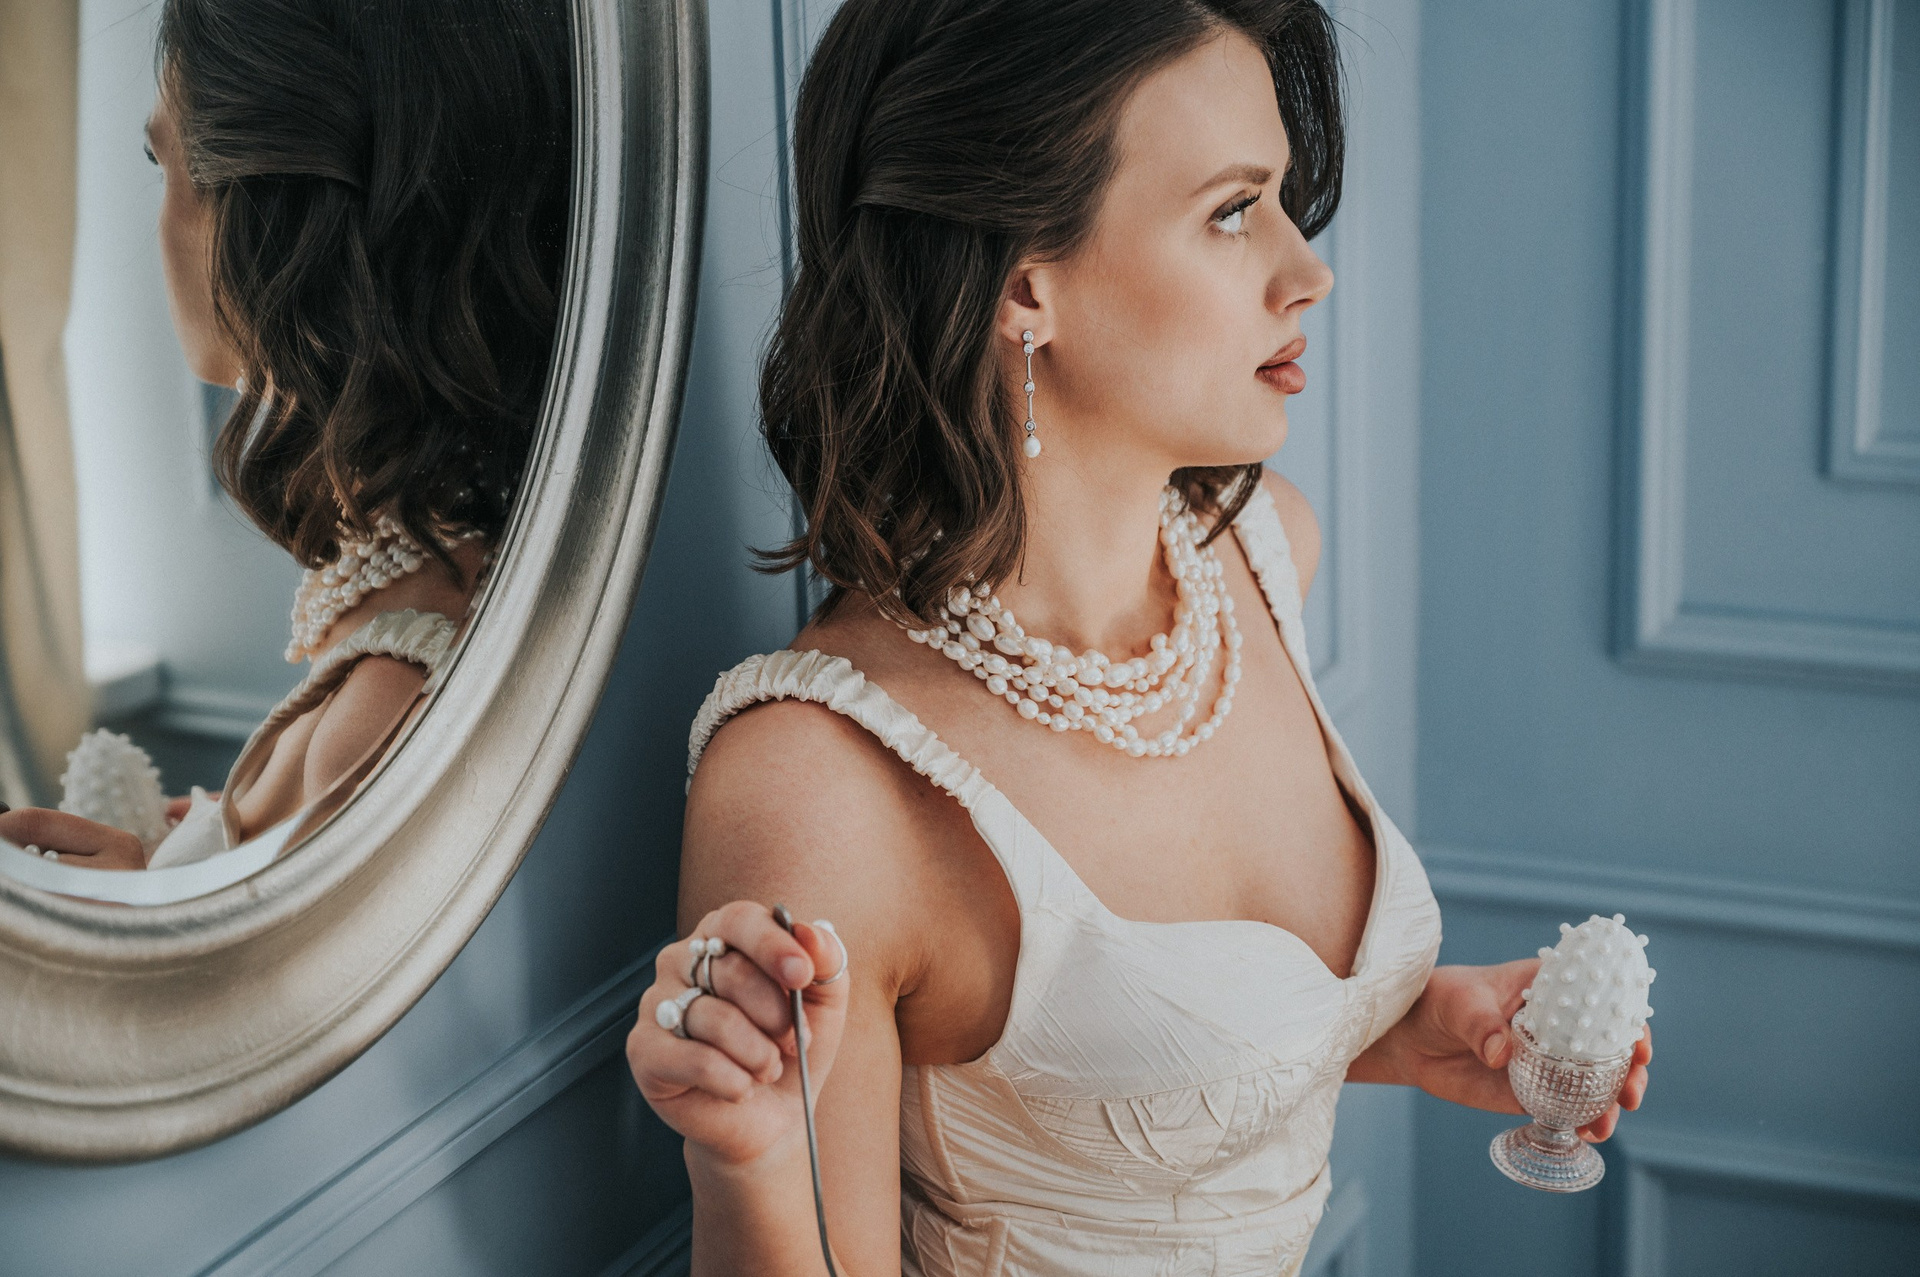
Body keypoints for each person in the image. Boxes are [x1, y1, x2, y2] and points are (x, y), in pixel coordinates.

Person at [626, 2, 1652, 1274]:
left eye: (1282, 199)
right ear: (1026, 286)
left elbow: (1134, 1075)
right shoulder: (819, 788)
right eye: (1232, 211)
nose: (1308, 269)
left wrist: (1414, 1024)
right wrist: (749, 1160)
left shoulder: (1263, 555)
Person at [0, 0, 571, 872]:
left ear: (271, 210)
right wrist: (196, 850)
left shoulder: (382, 705)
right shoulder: (443, 561)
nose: (161, 217)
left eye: (164, 163)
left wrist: (145, 900)